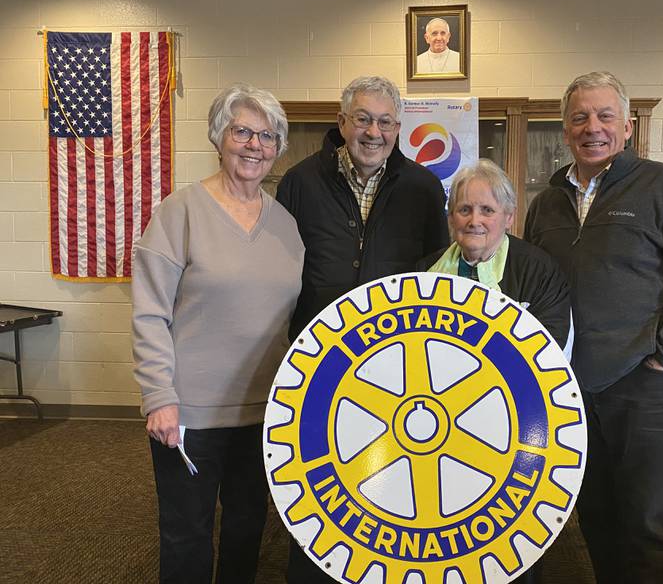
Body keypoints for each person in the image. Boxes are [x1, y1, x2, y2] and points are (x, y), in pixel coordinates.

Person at [524, 71, 663, 583]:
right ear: (565, 127)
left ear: (628, 126)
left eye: (604, 115)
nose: (591, 127)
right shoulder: (547, 203)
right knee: (593, 512)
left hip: (646, 386)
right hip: (570, 389)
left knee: (647, 521)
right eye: (579, 117)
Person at [276, 75, 449, 583]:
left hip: (393, 363)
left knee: (385, 467)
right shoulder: (300, 181)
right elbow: (282, 267)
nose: (374, 132)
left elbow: (435, 273)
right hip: (319, 357)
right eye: (363, 119)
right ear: (342, 122)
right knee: (320, 472)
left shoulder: (423, 187)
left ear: (398, 128)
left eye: (385, 122)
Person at [132, 83, 304, 584]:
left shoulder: (287, 226)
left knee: (248, 529)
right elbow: (149, 314)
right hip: (189, 413)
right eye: (242, 132)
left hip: (264, 414)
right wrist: (159, 397)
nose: (254, 145)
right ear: (218, 137)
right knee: (187, 534)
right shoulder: (177, 214)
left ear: (278, 149)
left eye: (267, 136)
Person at [420, 158, 572, 354]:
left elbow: (550, 348)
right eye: (464, 210)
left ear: (509, 217)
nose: (474, 221)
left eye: (487, 210)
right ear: (451, 218)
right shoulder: (425, 271)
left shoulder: (539, 271)